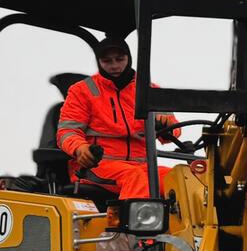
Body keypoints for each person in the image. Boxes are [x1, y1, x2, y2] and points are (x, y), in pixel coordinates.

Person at [56, 37, 179, 201]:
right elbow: (67, 132)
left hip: (143, 166)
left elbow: (174, 131)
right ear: (99, 62)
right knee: (135, 177)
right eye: (107, 61)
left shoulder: (149, 90)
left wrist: (167, 125)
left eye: (119, 59)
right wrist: (80, 148)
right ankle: (129, 218)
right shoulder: (82, 91)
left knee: (180, 179)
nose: (114, 65)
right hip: (98, 166)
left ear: (129, 58)